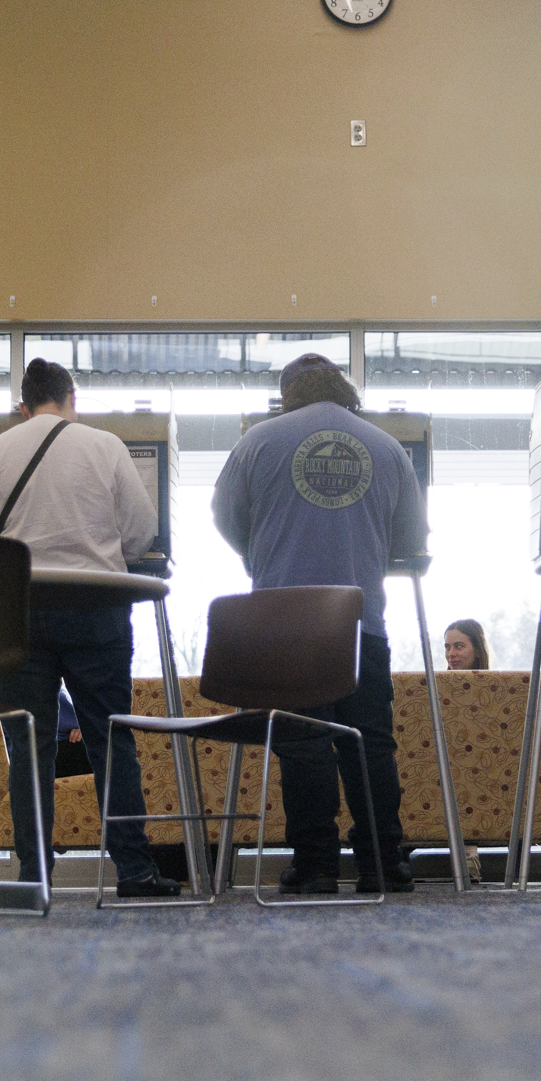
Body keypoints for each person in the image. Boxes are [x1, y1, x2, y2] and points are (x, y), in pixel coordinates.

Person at [0, 358, 178, 900]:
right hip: (96, 605)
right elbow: (141, 531)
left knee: (29, 748)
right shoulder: (104, 446)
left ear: (23, 405)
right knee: (111, 738)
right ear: (70, 398)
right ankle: (134, 870)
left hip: (21, 611)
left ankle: (34, 876)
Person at [213, 354, 427, 895]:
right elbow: (409, 543)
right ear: (345, 390)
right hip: (361, 621)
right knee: (369, 744)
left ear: (289, 393)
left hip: (284, 624)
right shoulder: (387, 448)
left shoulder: (257, 442)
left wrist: (262, 553)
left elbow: (227, 518)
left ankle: (315, 865)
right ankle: (383, 863)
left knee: (304, 744)